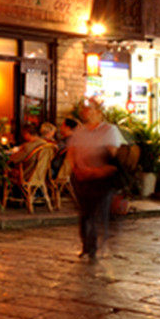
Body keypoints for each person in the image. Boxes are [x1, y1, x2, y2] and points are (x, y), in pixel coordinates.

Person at [68, 98, 122, 262]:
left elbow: (114, 155)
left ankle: (96, 247)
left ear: (98, 112)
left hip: (101, 178)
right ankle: (87, 246)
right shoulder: (80, 131)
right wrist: (76, 168)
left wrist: (96, 170)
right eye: (84, 108)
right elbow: (72, 151)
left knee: (98, 212)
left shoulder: (109, 130)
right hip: (82, 177)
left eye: (89, 108)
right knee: (85, 213)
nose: (85, 111)